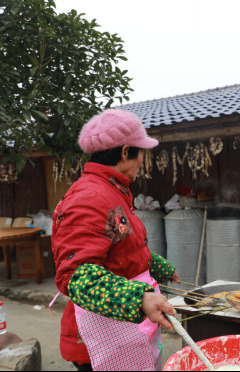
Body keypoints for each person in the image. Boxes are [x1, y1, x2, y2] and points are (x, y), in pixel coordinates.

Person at [51, 109, 180, 371]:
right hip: (97, 341)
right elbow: (76, 276)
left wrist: (157, 265)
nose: (143, 159)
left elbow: (121, 247)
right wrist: (138, 298)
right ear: (124, 152)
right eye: (141, 151)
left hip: (125, 332)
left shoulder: (113, 191)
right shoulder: (90, 197)